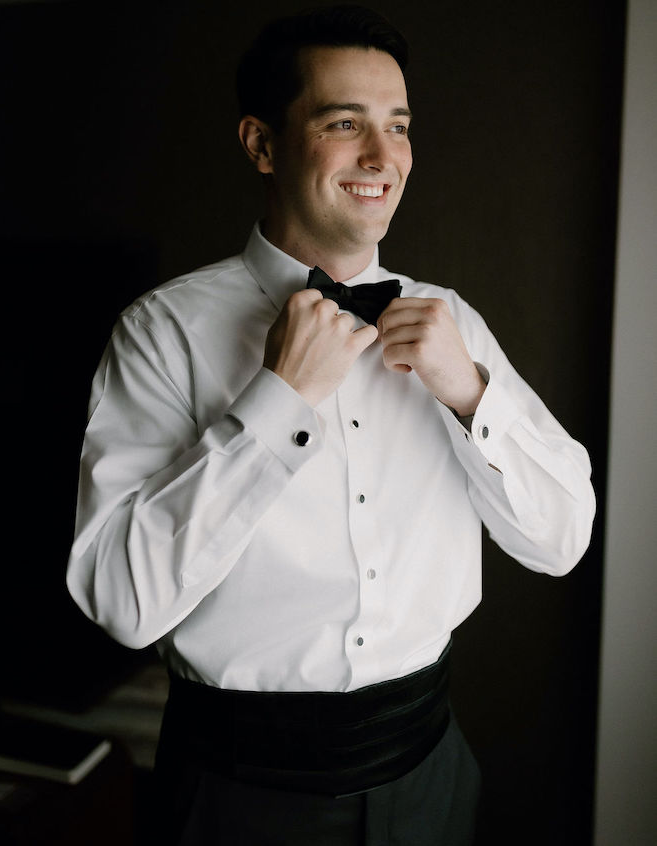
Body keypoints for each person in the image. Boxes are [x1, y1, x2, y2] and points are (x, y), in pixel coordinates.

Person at [66, 5, 595, 844]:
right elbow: (123, 605)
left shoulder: (454, 322)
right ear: (262, 145)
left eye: (399, 126)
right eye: (345, 124)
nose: (384, 159)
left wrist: (471, 396)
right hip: (234, 798)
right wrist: (274, 403)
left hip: (431, 777)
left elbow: (561, 539)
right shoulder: (161, 333)